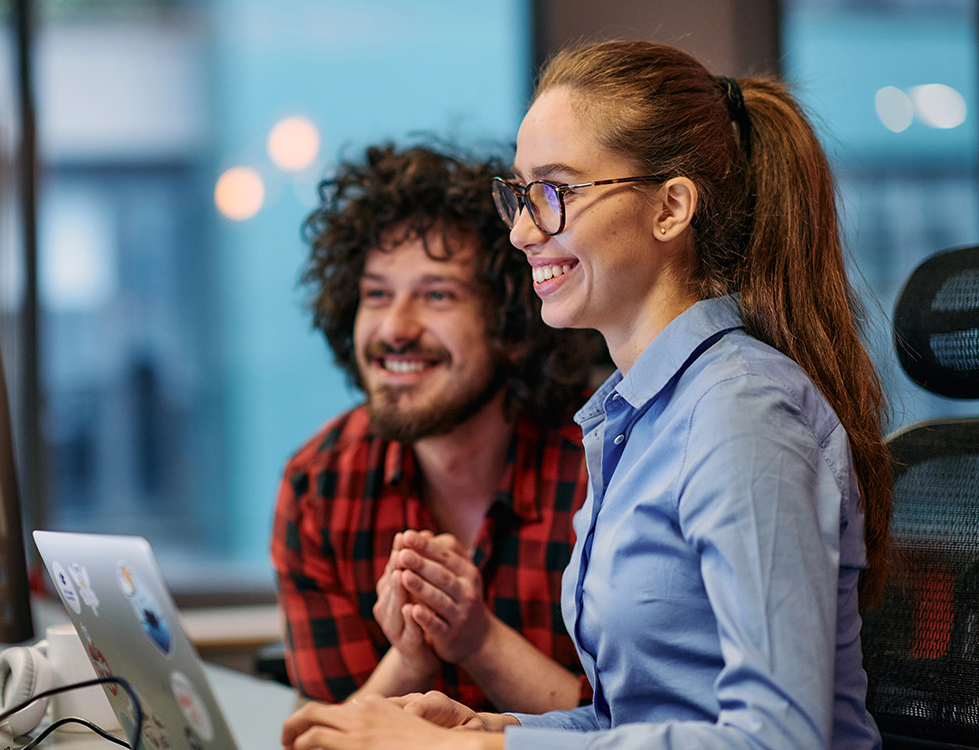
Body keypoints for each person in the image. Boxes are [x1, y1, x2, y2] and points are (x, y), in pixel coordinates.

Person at [280, 39, 893, 750]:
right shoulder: (635, 419)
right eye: (518, 194)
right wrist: (495, 726)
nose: (520, 231)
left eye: (554, 193)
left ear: (670, 209)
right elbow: (634, 722)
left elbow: (778, 740)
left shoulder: (741, 412)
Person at [271, 142, 599, 714]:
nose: (395, 329)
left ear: (514, 323)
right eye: (376, 295)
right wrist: (411, 660)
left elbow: (639, 728)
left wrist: (478, 640)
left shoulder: (607, 463)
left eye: (437, 295)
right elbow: (326, 731)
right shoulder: (319, 486)